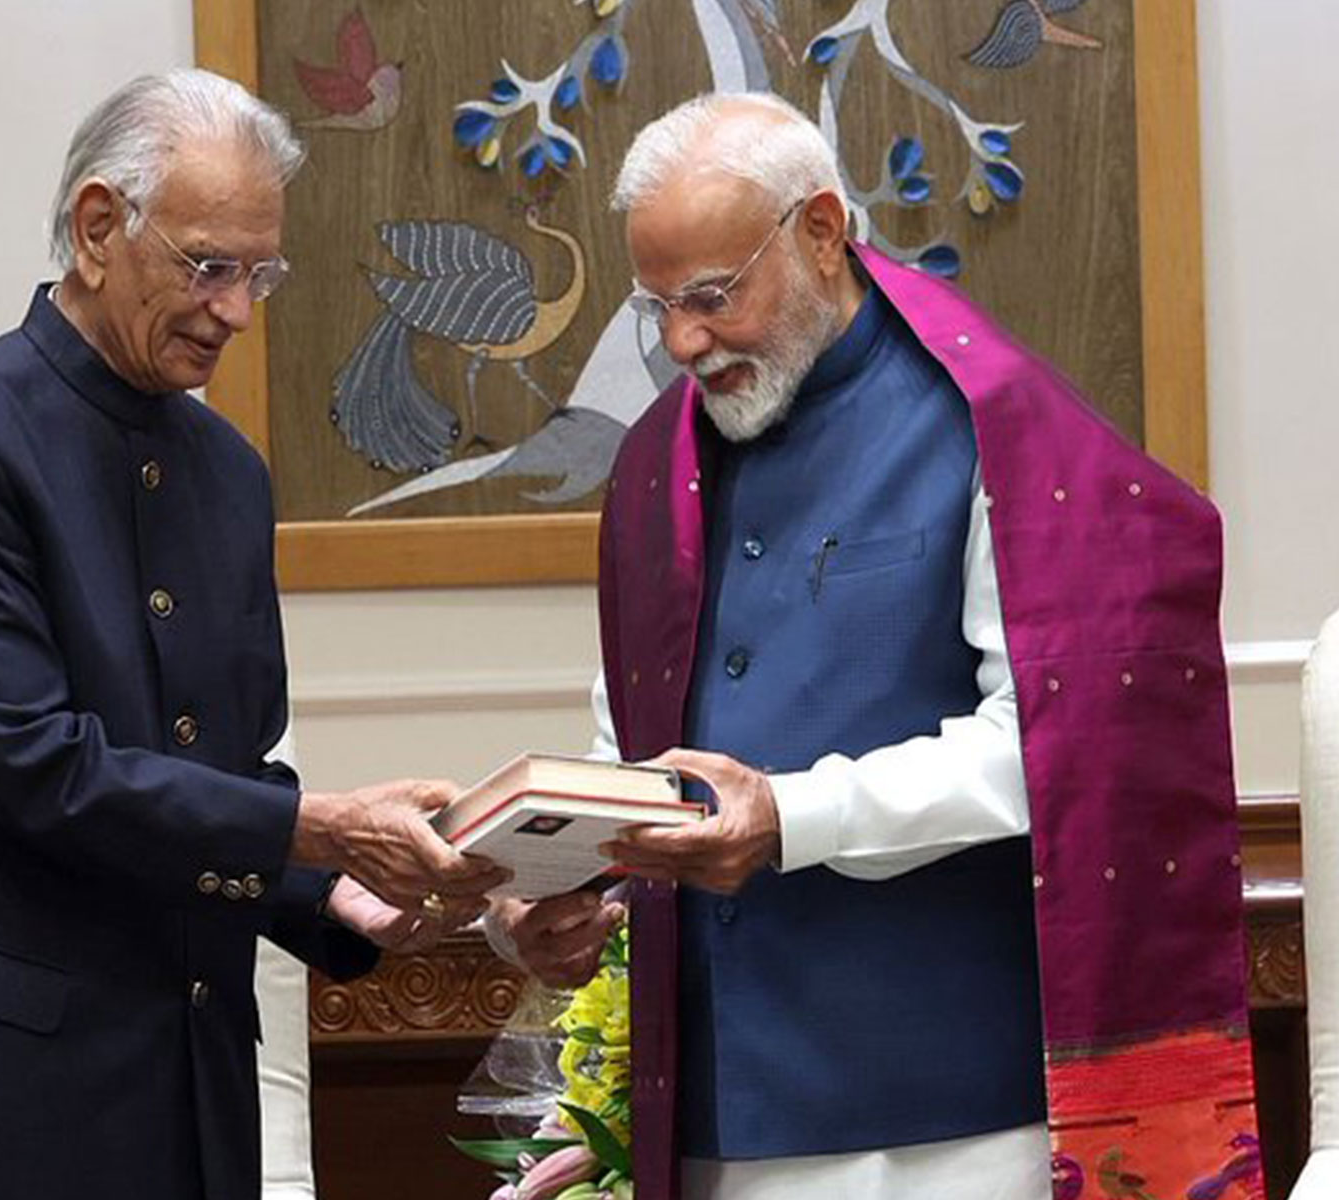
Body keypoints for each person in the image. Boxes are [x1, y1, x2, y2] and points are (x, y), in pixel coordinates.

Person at [488, 93, 1259, 1200]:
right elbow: (641, 747)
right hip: (710, 1102)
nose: (681, 343)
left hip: (952, 1116)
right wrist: (565, 884)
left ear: (818, 231)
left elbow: (1056, 740)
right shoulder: (657, 459)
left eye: (712, 297)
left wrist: (793, 817)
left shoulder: (988, 425)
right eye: (655, 305)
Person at [0, 69, 505, 1200]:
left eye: (261, 274)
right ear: (99, 229)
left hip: (191, 1091)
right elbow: (36, 768)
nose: (238, 311)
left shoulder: (229, 475)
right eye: (209, 267)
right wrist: (320, 831)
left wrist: (332, 896)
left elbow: (224, 773)